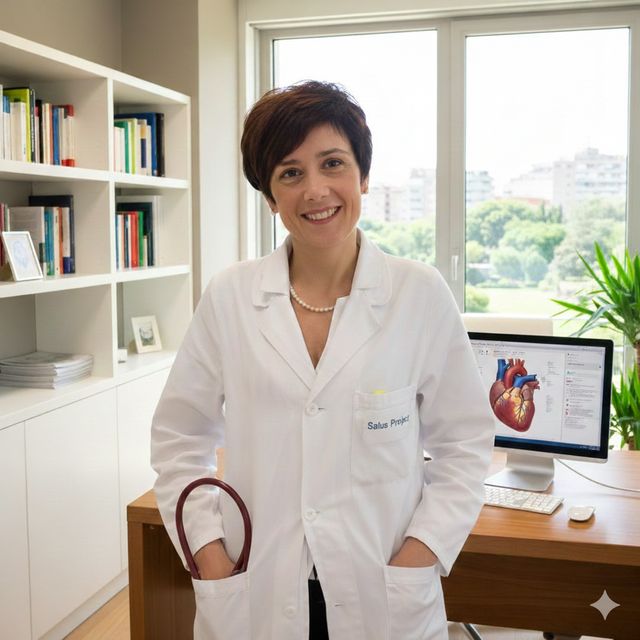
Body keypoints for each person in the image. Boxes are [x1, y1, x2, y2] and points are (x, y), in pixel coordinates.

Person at [150, 80, 495, 640]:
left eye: (332, 163)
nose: (315, 190)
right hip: (256, 586)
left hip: (381, 588)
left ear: (363, 175)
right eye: (290, 173)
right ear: (270, 197)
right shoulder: (230, 297)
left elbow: (465, 445)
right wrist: (209, 555)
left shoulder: (418, 293)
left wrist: (421, 554)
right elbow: (178, 439)